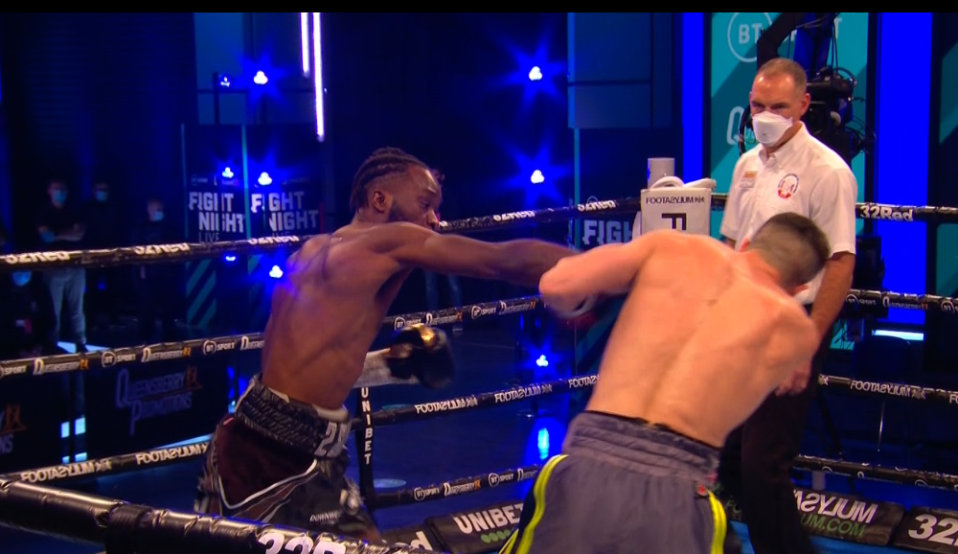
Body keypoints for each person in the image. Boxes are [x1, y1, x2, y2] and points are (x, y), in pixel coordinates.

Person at [195, 147, 574, 542]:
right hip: (282, 459)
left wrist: (390, 365)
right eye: (425, 204)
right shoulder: (387, 242)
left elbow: (307, 363)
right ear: (380, 200)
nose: (434, 219)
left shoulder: (309, 252)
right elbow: (499, 261)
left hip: (241, 436)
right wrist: (596, 267)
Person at [500, 213, 830, 554]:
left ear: (745, 242)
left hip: (587, 462)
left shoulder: (671, 246)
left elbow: (556, 285)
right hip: (680, 487)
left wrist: (598, 300)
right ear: (801, 288)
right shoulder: (796, 334)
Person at [717, 57, 857, 554]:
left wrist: (805, 344)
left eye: (777, 106)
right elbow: (733, 246)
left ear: (802, 106)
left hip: (792, 325)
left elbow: (841, 263)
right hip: (742, 325)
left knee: (762, 465)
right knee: (726, 461)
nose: (765, 115)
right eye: (757, 106)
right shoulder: (747, 164)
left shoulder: (828, 172)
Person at [36, 180, 88, 352]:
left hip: (75, 265)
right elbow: (46, 237)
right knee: (53, 310)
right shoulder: (44, 213)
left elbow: (79, 234)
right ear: (49, 191)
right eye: (56, 188)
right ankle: (52, 344)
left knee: (77, 309)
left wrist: (57, 233)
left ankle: (80, 342)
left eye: (62, 189)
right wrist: (67, 233)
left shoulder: (74, 211)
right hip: (54, 267)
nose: (60, 191)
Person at [131, 197, 179, 342]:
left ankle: (170, 341)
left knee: (168, 311)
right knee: (147, 311)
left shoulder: (169, 227)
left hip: (166, 275)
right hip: (148, 276)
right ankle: (145, 340)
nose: (160, 212)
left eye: (161, 209)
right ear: (149, 210)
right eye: (157, 209)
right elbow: (135, 250)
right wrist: (141, 268)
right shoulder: (141, 227)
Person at [84, 181, 122, 328]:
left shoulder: (114, 208)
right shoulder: (86, 208)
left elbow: (119, 229)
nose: (103, 192)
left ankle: (114, 319)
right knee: (91, 290)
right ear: (93, 190)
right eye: (100, 189)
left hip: (111, 255)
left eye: (105, 189)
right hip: (92, 255)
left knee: (113, 289)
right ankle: (91, 321)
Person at [0, 270, 60, 359]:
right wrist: (17, 352)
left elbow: (49, 322)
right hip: (7, 349)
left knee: (69, 366)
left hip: (38, 347)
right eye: (19, 270)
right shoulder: (3, 291)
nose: (22, 274)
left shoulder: (40, 289)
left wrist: (38, 347)